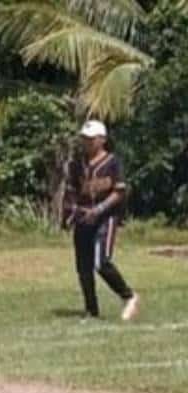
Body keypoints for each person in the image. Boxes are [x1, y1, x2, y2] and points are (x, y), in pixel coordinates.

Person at [65, 120, 140, 321]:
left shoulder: (112, 162)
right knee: (83, 267)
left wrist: (99, 210)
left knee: (101, 262)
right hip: (83, 218)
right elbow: (72, 190)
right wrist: (71, 213)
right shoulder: (76, 164)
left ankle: (129, 296)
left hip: (105, 218)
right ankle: (91, 310)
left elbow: (119, 191)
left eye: (91, 139)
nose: (86, 143)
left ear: (102, 140)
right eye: (84, 139)